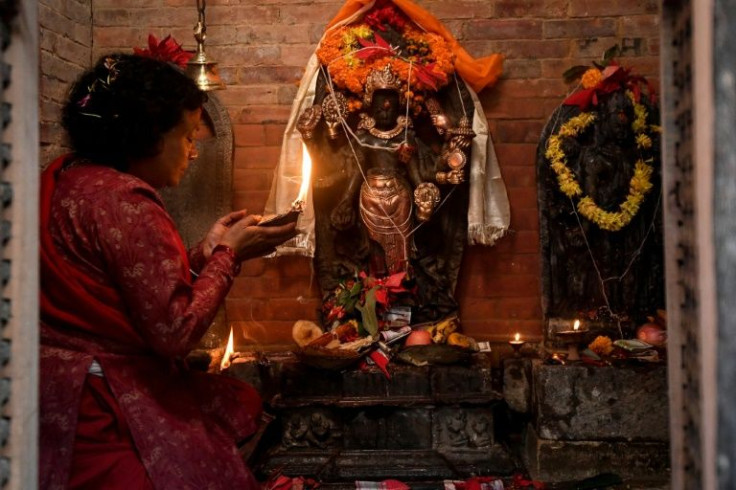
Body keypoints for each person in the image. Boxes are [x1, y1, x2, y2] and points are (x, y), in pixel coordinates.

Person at [40, 53, 297, 489]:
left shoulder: (70, 177)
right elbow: (174, 333)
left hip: (53, 383)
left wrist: (203, 253)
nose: (194, 153)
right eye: (187, 137)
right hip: (101, 396)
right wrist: (228, 258)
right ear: (148, 137)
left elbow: (123, 278)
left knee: (238, 398)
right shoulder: (128, 201)